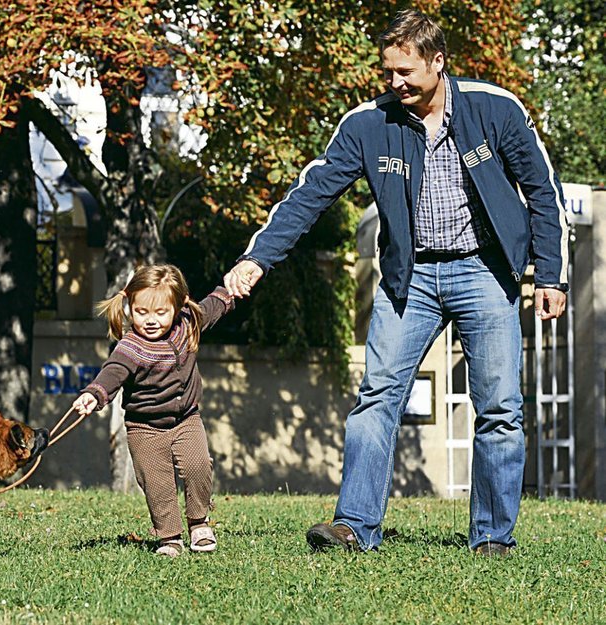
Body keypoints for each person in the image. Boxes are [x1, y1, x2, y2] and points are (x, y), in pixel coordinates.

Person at [224, 9, 569, 556]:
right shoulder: (368, 123)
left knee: (500, 406)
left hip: (485, 271)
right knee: (377, 398)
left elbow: (542, 191)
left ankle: (492, 538)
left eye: (406, 71)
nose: (395, 83)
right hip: (411, 279)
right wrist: (258, 259)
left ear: (438, 62)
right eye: (388, 72)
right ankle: (354, 528)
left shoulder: (494, 108)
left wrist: (550, 275)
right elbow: (312, 193)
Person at [73, 264, 234, 557]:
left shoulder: (188, 324)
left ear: (178, 306)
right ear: (129, 307)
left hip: (187, 418)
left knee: (198, 466)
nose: (150, 321)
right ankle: (169, 537)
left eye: (160, 313)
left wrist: (230, 290)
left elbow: (212, 306)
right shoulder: (130, 347)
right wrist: (94, 395)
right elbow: (112, 373)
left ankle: (199, 523)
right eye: (141, 312)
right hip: (144, 427)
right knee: (157, 482)